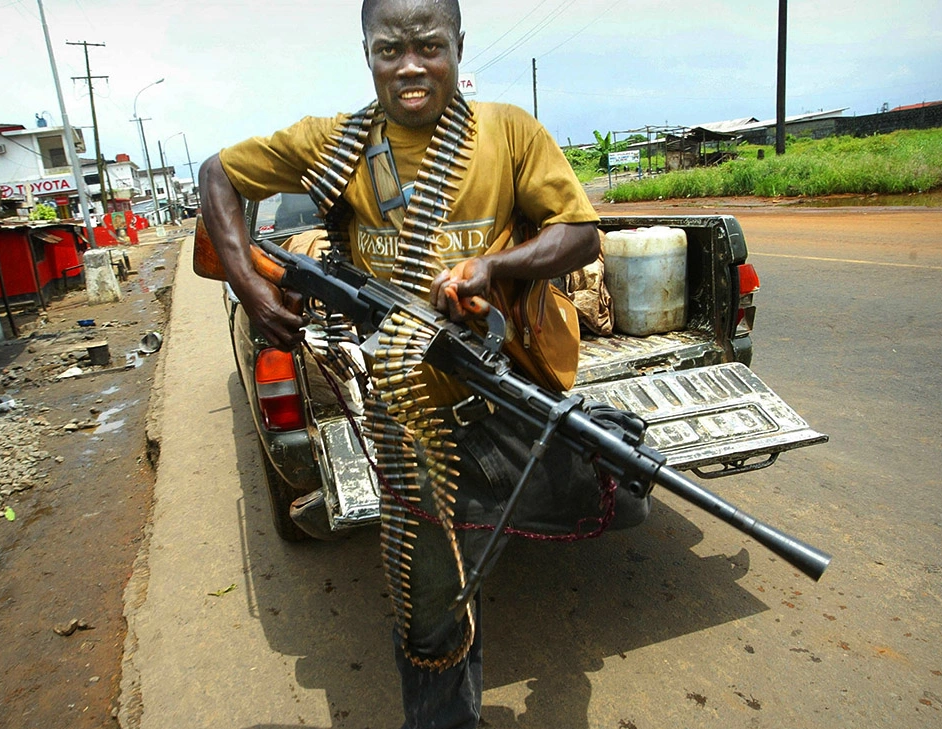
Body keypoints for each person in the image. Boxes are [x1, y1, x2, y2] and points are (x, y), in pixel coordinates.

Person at [199, 0, 641, 726]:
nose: (409, 66)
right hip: (408, 418)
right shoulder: (333, 142)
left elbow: (580, 234)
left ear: (459, 46)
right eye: (389, 49)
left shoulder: (508, 132)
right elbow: (218, 173)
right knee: (431, 609)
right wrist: (249, 284)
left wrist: (494, 266)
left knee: (612, 491)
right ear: (367, 53)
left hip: (499, 393)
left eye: (429, 46)